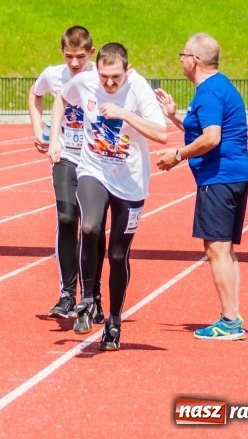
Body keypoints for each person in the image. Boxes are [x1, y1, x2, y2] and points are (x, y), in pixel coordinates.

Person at [49, 42, 168, 351]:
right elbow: (62, 98)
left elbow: (161, 133)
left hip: (130, 183)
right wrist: (54, 138)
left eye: (115, 77)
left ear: (126, 70)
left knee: (117, 255)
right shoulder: (86, 80)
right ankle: (87, 299)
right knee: (88, 227)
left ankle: (114, 321)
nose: (109, 83)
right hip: (94, 169)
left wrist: (124, 113)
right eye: (104, 77)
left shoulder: (138, 89)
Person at [155, 33, 248, 341]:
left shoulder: (209, 91)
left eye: (183, 55)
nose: (181, 60)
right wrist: (174, 118)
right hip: (233, 174)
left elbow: (211, 138)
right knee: (225, 249)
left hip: (219, 177)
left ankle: (230, 320)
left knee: (216, 250)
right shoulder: (220, 86)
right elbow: (203, 130)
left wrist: (177, 155)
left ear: (195, 60)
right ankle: (233, 314)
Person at [28, 25, 106, 321]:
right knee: (66, 217)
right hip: (65, 155)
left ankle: (93, 295)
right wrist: (40, 131)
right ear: (62, 51)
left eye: (80, 56)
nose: (74, 63)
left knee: (93, 226)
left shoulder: (101, 78)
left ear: (91, 53)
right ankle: (66, 293)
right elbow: (35, 95)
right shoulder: (53, 75)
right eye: (69, 56)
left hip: (96, 161)